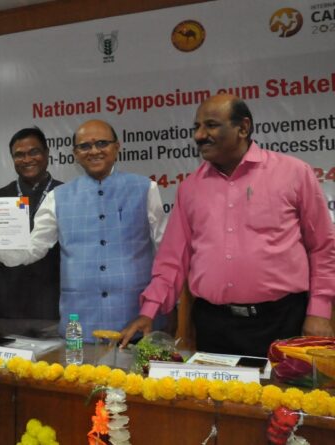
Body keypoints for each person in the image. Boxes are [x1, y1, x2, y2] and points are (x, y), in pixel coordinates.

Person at [121, 95, 335, 356]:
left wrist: (319, 311)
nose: (199, 135)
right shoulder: (190, 188)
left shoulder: (294, 173)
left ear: (243, 128)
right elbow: (172, 261)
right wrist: (149, 311)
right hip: (214, 326)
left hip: (283, 320)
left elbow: (322, 247)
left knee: (283, 385)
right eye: (197, 127)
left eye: (211, 125)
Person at [0, 119, 166, 340]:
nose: (94, 151)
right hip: (80, 324)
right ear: (76, 154)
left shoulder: (146, 188)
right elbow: (31, 250)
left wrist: (163, 304)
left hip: (136, 320)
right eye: (85, 146)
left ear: (117, 147)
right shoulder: (57, 197)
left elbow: (165, 253)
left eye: (102, 143)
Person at [0, 127, 62, 336]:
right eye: (19, 155)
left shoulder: (65, 193)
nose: (27, 159)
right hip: (9, 307)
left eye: (34, 152)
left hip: (53, 306)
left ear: (47, 153)